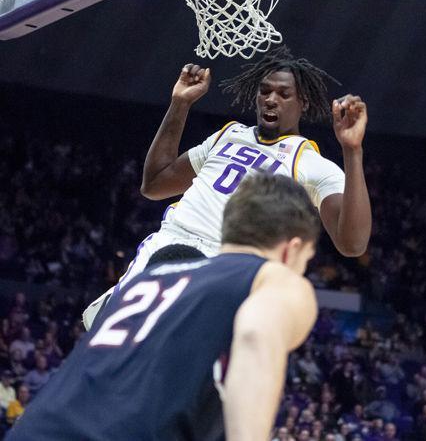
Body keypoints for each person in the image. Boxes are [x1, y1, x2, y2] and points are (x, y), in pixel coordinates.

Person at [7, 174, 321, 440]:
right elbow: (255, 334)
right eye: (304, 262)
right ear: (290, 251)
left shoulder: (149, 280)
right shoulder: (271, 277)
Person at [82, 46, 371, 330]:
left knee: (162, 357)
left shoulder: (309, 162)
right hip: (169, 242)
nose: (271, 100)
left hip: (223, 263)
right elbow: (155, 183)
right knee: (106, 351)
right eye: (265, 91)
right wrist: (180, 104)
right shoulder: (227, 135)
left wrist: (352, 151)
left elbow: (353, 244)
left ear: (303, 103)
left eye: (283, 94)